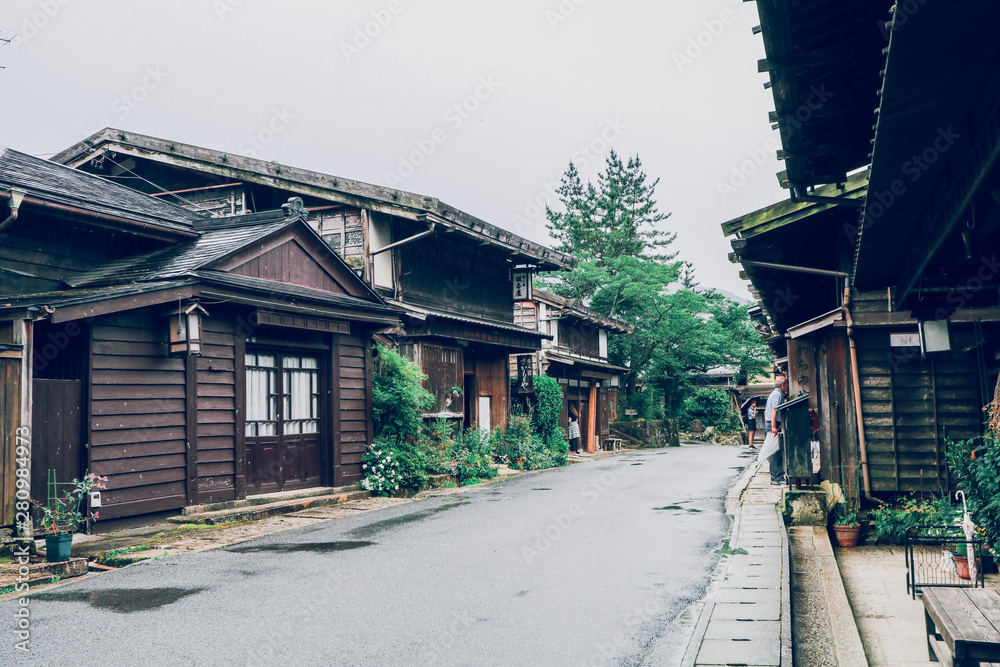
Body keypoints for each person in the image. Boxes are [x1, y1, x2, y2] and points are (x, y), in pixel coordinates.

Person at [758, 376, 788, 485]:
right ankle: (777, 477)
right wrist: (774, 426)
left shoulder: (774, 394)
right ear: (783, 385)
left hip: (770, 423)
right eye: (787, 384)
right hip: (774, 423)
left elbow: (767, 412)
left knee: (773, 451)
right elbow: (773, 411)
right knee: (776, 451)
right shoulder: (777, 395)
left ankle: (776, 475)